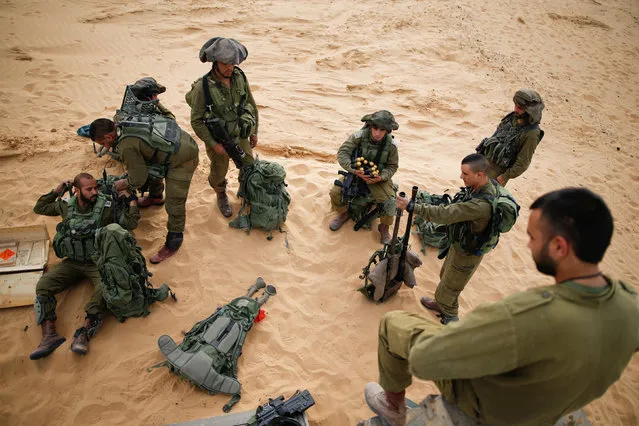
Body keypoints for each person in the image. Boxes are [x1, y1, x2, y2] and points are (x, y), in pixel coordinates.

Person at [361, 187, 639, 426]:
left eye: (532, 237)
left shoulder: (526, 314)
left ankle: (392, 406)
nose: (529, 245)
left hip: (489, 408)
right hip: (553, 404)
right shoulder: (630, 304)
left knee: (394, 324)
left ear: (559, 247)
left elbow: (425, 361)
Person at [30, 173, 140, 359]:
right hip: (72, 262)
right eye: (89, 189)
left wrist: (130, 200)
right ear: (77, 190)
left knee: (104, 289)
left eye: (96, 188)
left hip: (97, 262)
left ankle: (84, 333)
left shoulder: (105, 206)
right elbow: (40, 207)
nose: (94, 192)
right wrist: (57, 190)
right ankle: (49, 335)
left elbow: (130, 222)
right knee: (43, 286)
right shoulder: (66, 205)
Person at [398, 154, 495, 324]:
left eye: (465, 174)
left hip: (467, 253)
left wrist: (411, 206)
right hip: (460, 244)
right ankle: (440, 304)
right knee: (445, 276)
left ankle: (450, 319)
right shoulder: (481, 186)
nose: (461, 177)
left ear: (479, 174)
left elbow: (444, 214)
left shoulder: (480, 206)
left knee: (451, 288)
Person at [88, 115, 199, 264]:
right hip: (179, 142)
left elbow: (138, 178)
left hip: (184, 159)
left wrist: (126, 183)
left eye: (104, 143)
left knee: (175, 202)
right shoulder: (123, 121)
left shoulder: (126, 146)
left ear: (109, 136)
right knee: (151, 168)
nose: (106, 147)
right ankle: (156, 197)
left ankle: (174, 242)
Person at [186, 37, 259, 218]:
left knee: (249, 165)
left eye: (233, 63)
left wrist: (254, 130)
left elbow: (250, 102)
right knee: (219, 172)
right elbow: (196, 121)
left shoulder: (239, 76)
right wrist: (213, 144)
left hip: (241, 132)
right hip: (219, 138)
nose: (230, 68)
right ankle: (220, 193)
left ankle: (246, 191)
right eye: (226, 63)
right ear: (215, 62)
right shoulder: (203, 88)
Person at [329, 110, 400, 244]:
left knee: (390, 202)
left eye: (382, 130)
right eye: (375, 128)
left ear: (388, 131)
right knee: (335, 193)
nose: (377, 133)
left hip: (377, 178)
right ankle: (344, 213)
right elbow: (343, 153)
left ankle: (384, 227)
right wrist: (353, 169)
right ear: (370, 126)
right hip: (357, 173)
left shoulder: (391, 146)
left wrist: (381, 176)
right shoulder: (359, 136)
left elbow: (392, 166)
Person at [475, 88, 544, 186]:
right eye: (515, 105)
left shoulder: (532, 134)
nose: (515, 109)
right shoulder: (513, 117)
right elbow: (497, 134)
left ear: (530, 111)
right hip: (483, 163)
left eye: (520, 108)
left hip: (496, 175)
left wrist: (504, 177)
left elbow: (522, 164)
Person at [126, 77, 175, 208]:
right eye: (155, 95)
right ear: (148, 98)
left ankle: (154, 195)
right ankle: (155, 196)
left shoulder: (131, 107)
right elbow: (171, 120)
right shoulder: (152, 114)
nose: (157, 97)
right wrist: (158, 104)